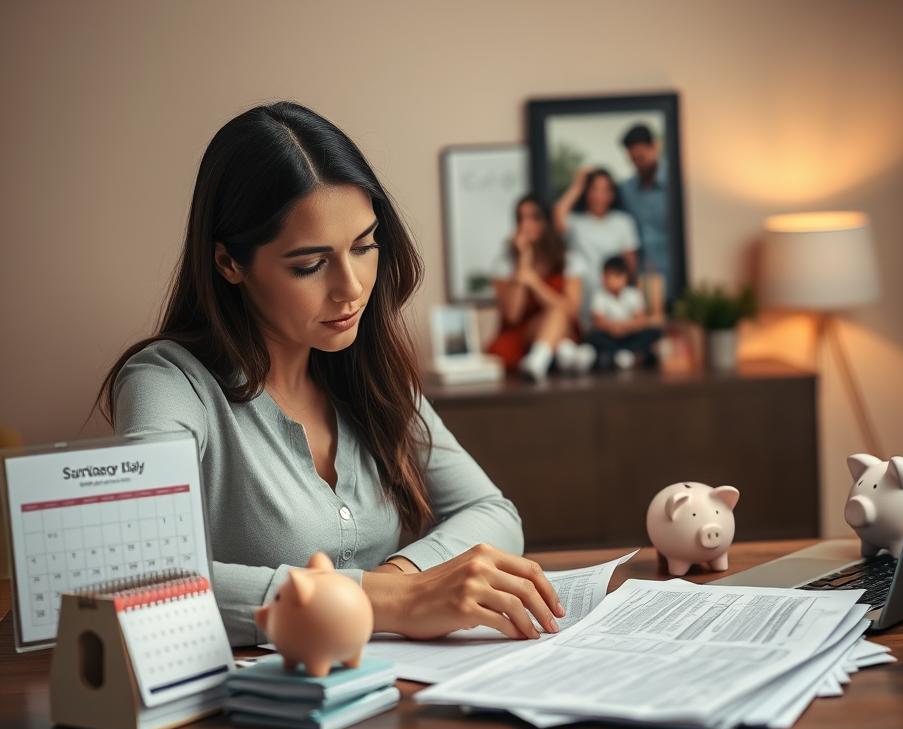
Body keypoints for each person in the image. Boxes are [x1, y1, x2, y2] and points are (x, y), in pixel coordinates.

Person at [93, 101, 564, 647]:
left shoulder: (369, 370)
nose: (351, 288)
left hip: (389, 698)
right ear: (229, 263)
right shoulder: (168, 385)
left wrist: (400, 581)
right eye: (309, 265)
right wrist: (390, 602)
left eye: (364, 247)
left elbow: (491, 512)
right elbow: (140, 575)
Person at [487, 194, 592, 381]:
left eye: (534, 218)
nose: (526, 225)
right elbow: (512, 314)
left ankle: (540, 359)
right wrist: (523, 262)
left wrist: (534, 282)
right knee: (555, 312)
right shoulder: (505, 262)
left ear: (547, 221)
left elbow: (570, 309)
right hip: (521, 334)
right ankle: (562, 353)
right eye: (521, 219)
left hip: (561, 327)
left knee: (557, 312)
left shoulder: (569, 259)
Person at [552, 167, 641, 329]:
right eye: (594, 189)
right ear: (586, 193)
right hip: (584, 296)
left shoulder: (623, 222)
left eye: (605, 190)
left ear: (612, 194)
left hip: (614, 300)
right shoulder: (576, 222)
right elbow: (557, 215)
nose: (600, 196)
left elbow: (630, 264)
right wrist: (577, 185)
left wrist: (632, 299)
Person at [618, 124, 671, 305]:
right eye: (633, 160)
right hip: (641, 282)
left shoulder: (676, 184)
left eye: (641, 157)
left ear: (655, 147)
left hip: (674, 276)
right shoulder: (626, 190)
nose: (638, 164)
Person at [583, 256, 663, 370]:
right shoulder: (599, 295)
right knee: (591, 337)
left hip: (629, 335)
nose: (605, 280)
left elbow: (641, 321)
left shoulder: (633, 294)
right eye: (605, 276)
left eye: (610, 276)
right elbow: (598, 321)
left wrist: (622, 327)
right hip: (609, 335)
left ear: (623, 277)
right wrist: (613, 328)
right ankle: (629, 355)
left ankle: (617, 355)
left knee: (654, 333)